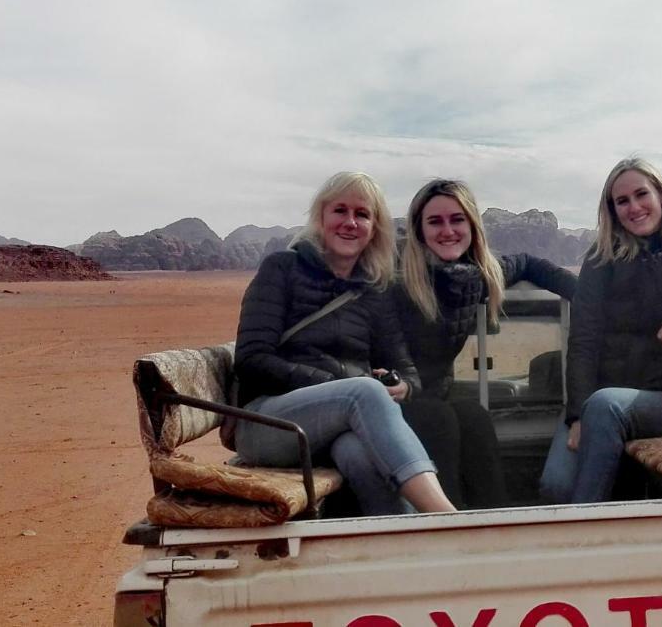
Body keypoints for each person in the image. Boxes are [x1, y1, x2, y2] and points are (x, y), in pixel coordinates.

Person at [233, 171, 456, 516]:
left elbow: (407, 370)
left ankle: (403, 549)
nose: (350, 223)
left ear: (374, 228)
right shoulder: (281, 269)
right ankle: (445, 517)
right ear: (321, 217)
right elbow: (251, 360)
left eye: (362, 214)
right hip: (268, 424)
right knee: (363, 392)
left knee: (359, 453)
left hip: (336, 426)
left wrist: (401, 386)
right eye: (340, 211)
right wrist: (342, 387)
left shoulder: (374, 290)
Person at [539, 158, 662, 505]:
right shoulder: (601, 260)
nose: (634, 207)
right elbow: (583, 340)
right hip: (601, 398)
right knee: (557, 486)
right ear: (612, 210)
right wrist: (576, 418)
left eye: (640, 194)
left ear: (660, 195)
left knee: (604, 407)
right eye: (622, 201)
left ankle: (581, 544)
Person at [395, 178, 578, 509]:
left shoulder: (475, 277)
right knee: (440, 420)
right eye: (434, 221)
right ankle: (446, 531)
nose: (447, 230)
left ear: (472, 226)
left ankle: (495, 525)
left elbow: (527, 263)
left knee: (474, 416)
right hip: (390, 399)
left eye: (457, 219)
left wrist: (585, 296)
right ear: (419, 230)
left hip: (434, 396)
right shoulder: (396, 277)